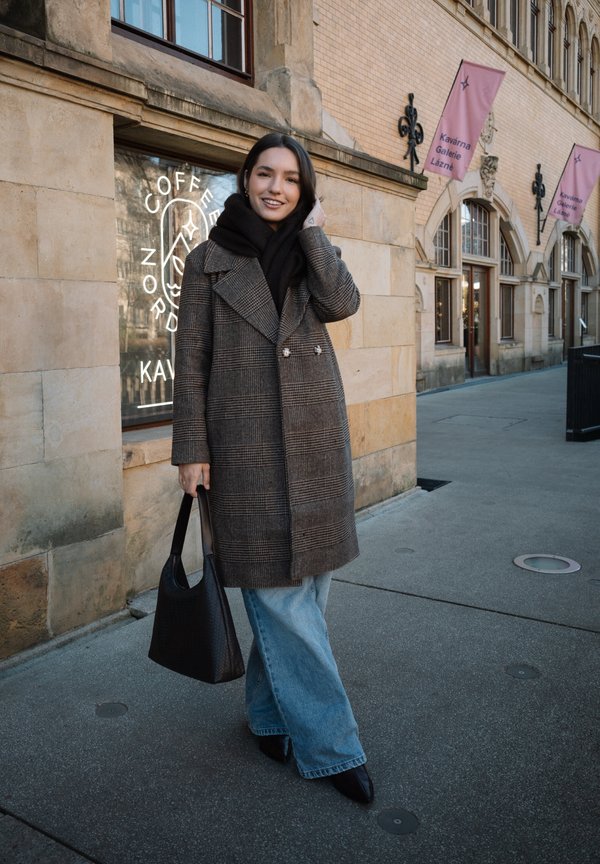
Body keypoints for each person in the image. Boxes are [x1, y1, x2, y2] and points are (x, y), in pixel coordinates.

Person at [172, 132, 373, 804]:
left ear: (304, 189)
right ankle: (333, 748)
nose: (276, 187)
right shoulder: (207, 261)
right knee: (284, 604)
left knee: (308, 593)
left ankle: (265, 716)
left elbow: (343, 303)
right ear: (247, 178)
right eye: (265, 173)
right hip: (245, 452)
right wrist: (191, 450)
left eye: (291, 178)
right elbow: (191, 364)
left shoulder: (313, 254)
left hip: (316, 445)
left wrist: (315, 236)